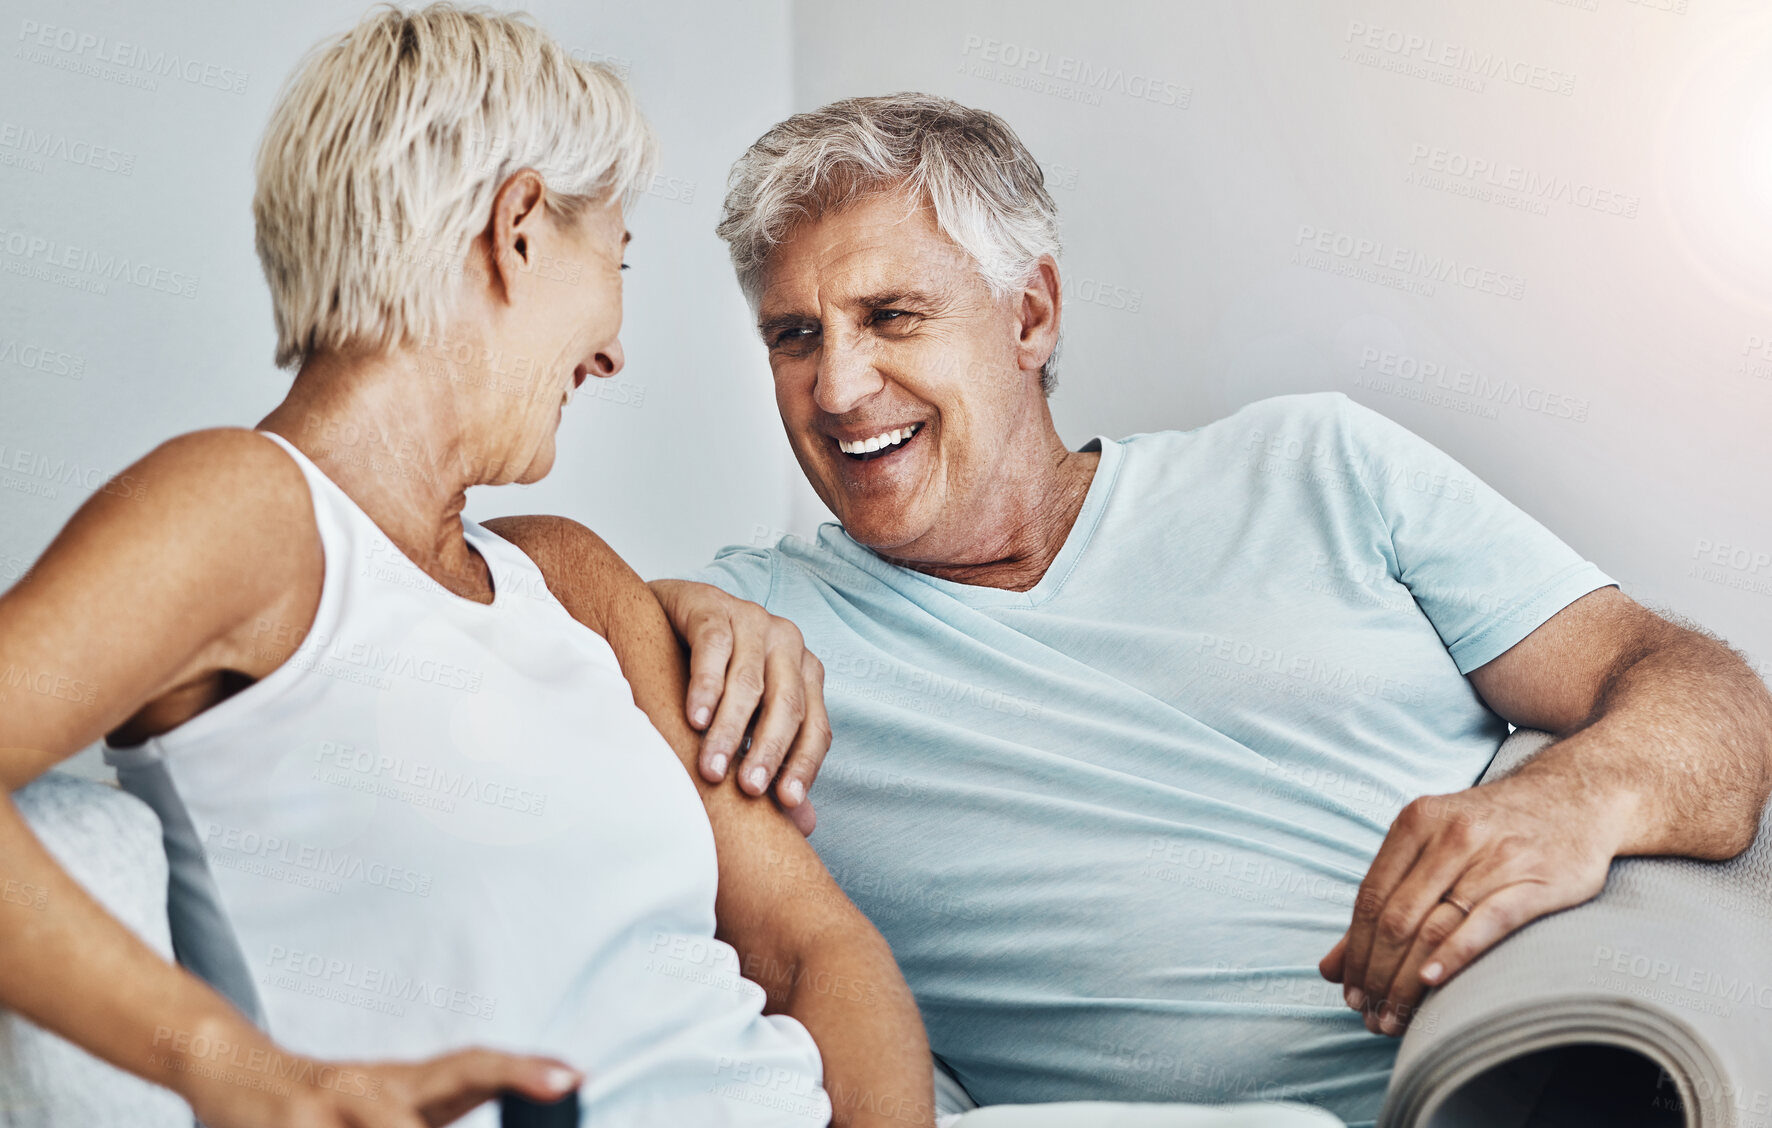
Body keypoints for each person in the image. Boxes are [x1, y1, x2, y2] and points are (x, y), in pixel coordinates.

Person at [648, 93, 1772, 1127]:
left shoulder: (1320, 465)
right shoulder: (749, 633)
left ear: (1029, 314)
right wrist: (663, 602)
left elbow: (1704, 698)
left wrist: (1572, 803)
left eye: (889, 316)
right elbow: (503, 594)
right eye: (793, 337)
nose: (837, 388)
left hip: (1520, 1076)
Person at [0, 10, 934, 1126]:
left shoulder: (569, 575)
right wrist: (233, 1065)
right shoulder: (248, 511)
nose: (614, 348)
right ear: (520, 228)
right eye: (617, 258)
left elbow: (813, 949)